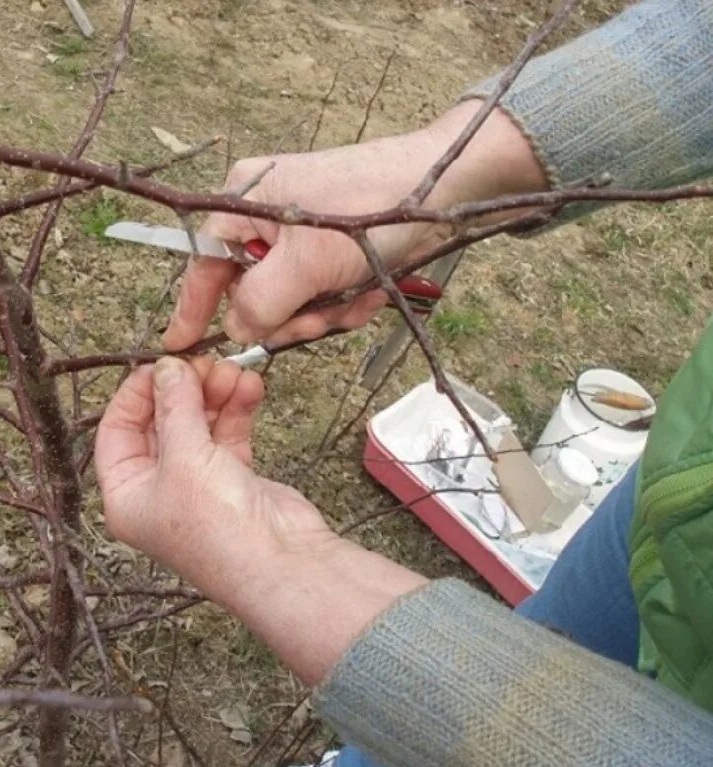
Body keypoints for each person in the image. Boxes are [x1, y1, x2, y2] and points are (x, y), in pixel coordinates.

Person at [95, 1, 713, 765]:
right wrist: (439, 176)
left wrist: (282, 563)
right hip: (683, 487)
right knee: (484, 676)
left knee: (446, 711)